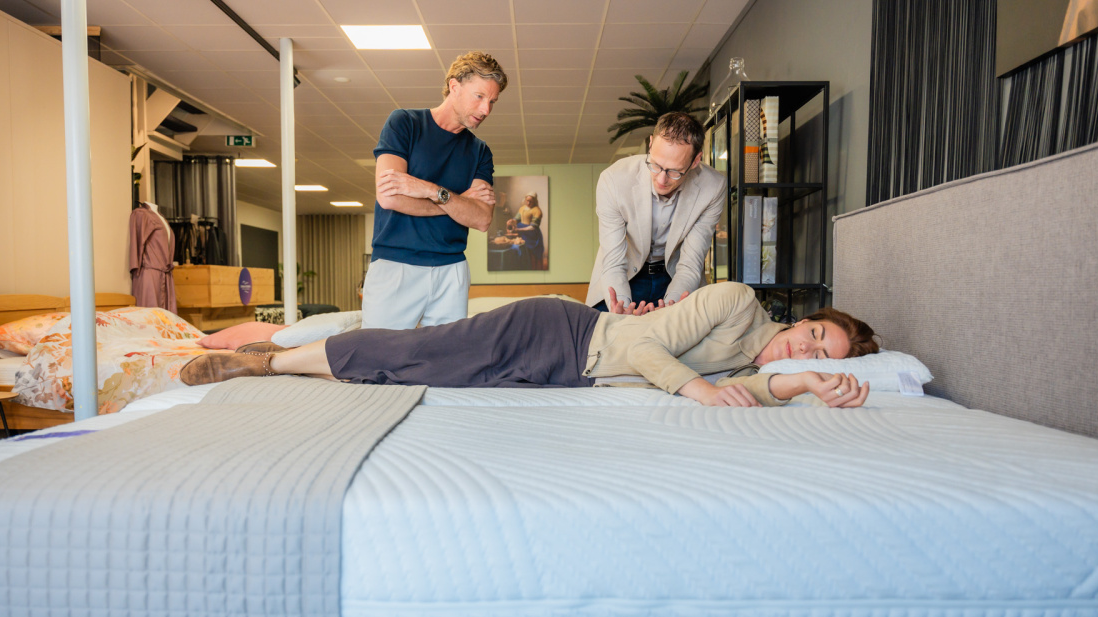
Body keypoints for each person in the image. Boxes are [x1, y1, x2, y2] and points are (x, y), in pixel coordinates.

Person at [181, 282, 879, 408]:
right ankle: (265, 361)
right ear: (803, 319)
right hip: (558, 333)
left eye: (824, 358)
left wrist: (804, 385)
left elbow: (751, 392)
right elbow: (646, 352)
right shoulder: (736, 303)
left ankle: (278, 367)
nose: (809, 350)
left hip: (564, 375)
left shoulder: (758, 364)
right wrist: (696, 388)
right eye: (816, 335)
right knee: (415, 352)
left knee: (413, 376)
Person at [364, 51, 508, 330]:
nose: (486, 110)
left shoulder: (480, 151)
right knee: (380, 353)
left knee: (446, 356)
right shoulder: (404, 123)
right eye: (479, 96)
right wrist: (458, 202)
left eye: (492, 101)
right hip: (396, 264)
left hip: (451, 269)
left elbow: (481, 219)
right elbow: (390, 197)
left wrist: (429, 190)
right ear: (454, 86)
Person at [586, 111, 724, 316]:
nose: (661, 179)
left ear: (695, 161)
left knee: (683, 332)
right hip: (624, 273)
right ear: (650, 144)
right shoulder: (613, 180)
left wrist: (670, 309)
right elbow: (613, 261)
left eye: (674, 171)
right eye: (656, 165)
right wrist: (621, 309)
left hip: (675, 275)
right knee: (606, 329)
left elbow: (691, 263)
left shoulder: (713, 187)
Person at [514, 192, 544, 270]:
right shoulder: (522, 208)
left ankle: (532, 268)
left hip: (532, 234)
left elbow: (533, 227)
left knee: (529, 251)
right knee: (519, 248)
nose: (528, 203)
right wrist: (511, 221)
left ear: (535, 201)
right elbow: (516, 219)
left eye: (531, 201)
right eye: (527, 201)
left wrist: (519, 229)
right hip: (522, 233)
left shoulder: (537, 211)